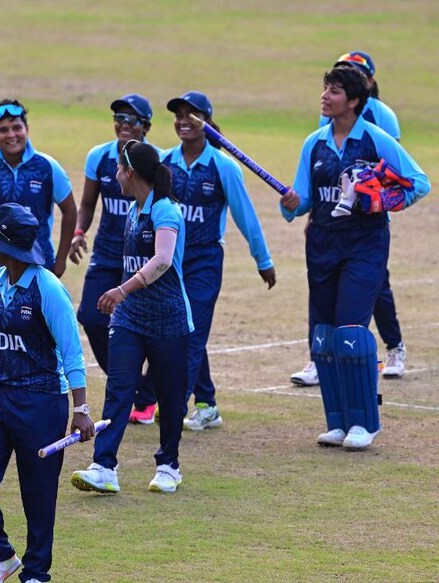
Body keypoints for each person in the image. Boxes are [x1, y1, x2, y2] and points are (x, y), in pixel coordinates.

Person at [279, 65, 429, 450]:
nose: (325, 96)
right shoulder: (314, 142)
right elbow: (302, 201)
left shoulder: (376, 140)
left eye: (334, 91)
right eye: (325, 88)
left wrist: (381, 200)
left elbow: (419, 183)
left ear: (354, 101)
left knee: (351, 330)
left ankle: (365, 422)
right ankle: (339, 421)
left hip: (365, 246)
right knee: (326, 335)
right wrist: (292, 204)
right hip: (323, 247)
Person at [0, 202, 92, 583]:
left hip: (40, 401)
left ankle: (35, 572)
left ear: (6, 246)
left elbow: (71, 352)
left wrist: (81, 408)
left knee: (38, 495)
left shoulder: (48, 288)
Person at [134, 92, 275, 431]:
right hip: (170, 262)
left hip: (205, 261)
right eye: (178, 115)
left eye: (192, 115)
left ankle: (173, 406)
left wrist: (263, 258)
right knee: (182, 329)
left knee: (188, 334)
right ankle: (207, 402)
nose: (183, 121)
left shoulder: (223, 167)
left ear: (207, 122)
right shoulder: (164, 161)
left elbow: (245, 215)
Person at [71, 139, 192, 495]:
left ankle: (169, 464)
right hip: (130, 318)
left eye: (120, 170)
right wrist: (124, 298)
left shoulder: (165, 210)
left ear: (132, 173)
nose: (115, 176)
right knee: (119, 390)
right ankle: (104, 465)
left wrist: (122, 289)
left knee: (170, 398)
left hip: (168, 318)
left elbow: (163, 259)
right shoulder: (133, 210)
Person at [292, 50, 407, 386]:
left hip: (364, 231)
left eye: (340, 83)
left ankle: (394, 346)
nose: (326, 95)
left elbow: (396, 176)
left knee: (373, 290)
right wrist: (308, 212)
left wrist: (377, 200)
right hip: (328, 231)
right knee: (325, 308)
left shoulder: (382, 121)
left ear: (362, 88)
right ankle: (318, 362)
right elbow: (322, 175)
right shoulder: (320, 132)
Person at [69, 93, 160, 424]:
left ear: (146, 127)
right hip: (108, 252)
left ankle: (148, 391)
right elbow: (88, 203)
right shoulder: (100, 156)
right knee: (91, 317)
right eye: (119, 118)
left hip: (143, 256)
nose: (123, 125)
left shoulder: (158, 160)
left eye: (132, 120)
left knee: (153, 329)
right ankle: (132, 383)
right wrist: (78, 233)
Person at [0, 99, 77, 285]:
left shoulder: (48, 166)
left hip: (36, 265)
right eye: (3, 130)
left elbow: (70, 210)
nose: (11, 135)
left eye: (17, 127)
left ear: (27, 129)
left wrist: (61, 259)